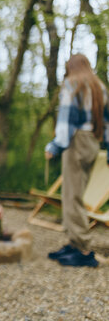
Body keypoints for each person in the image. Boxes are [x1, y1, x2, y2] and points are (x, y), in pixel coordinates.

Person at [45, 53, 109, 268]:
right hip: (93, 142)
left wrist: (54, 146)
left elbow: (65, 123)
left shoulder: (73, 84)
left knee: (72, 196)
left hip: (76, 142)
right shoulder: (99, 86)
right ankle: (74, 243)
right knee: (76, 194)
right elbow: (107, 123)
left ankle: (83, 249)